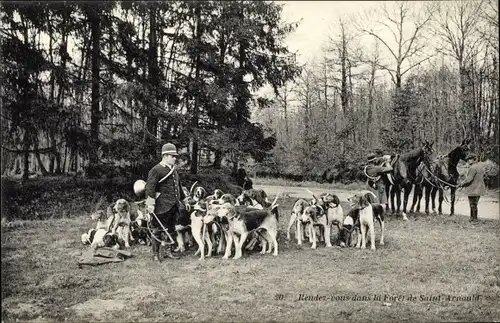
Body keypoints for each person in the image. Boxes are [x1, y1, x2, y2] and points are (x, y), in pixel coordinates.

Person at [145, 143, 187, 261]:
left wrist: (184, 200)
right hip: (161, 206)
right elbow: (150, 188)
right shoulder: (156, 170)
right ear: (165, 156)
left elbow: (178, 186)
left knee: (171, 229)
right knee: (157, 229)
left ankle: (168, 251)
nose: (175, 158)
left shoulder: (173, 170)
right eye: (172, 156)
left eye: (175, 156)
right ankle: (155, 255)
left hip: (174, 205)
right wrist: (151, 204)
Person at [458, 153, 486, 223]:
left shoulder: (472, 168)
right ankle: (473, 217)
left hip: (473, 188)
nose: (468, 161)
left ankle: (474, 219)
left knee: (472, 203)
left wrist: (461, 184)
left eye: (469, 159)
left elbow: (469, 179)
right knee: (475, 203)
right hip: (479, 188)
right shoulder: (480, 166)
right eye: (468, 160)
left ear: (473, 159)